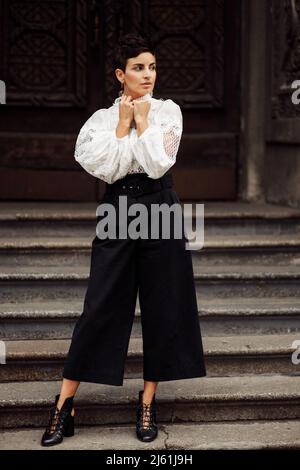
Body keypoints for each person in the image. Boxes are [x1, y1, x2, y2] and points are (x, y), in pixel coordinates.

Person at [41, 32, 206, 447]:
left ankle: (147, 400)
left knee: (164, 305)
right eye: (138, 68)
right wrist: (120, 126)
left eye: (151, 67)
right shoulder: (99, 120)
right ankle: (64, 404)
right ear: (121, 73)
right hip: (118, 209)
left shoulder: (169, 112)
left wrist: (145, 123)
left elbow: (158, 163)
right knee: (100, 305)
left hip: (161, 206)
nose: (147, 75)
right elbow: (106, 170)